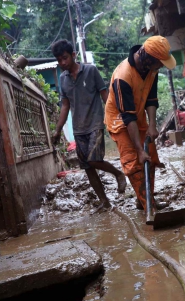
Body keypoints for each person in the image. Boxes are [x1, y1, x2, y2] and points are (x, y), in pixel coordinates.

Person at [51, 40, 126, 212]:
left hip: (95, 123)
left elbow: (104, 94)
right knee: (87, 167)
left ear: (73, 55)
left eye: (65, 58)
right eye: (59, 60)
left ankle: (118, 173)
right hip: (78, 128)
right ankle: (104, 201)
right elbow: (65, 105)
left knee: (94, 160)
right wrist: (57, 130)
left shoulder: (91, 71)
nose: (62, 63)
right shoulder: (63, 79)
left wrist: (114, 118)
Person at [104, 36, 176, 211]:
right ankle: (149, 207)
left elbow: (151, 98)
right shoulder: (123, 76)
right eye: (159, 63)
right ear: (148, 58)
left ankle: (143, 199)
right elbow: (127, 117)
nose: (161, 66)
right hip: (120, 121)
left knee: (149, 157)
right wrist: (138, 150)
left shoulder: (151, 69)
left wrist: (152, 125)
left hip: (138, 117)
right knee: (134, 162)